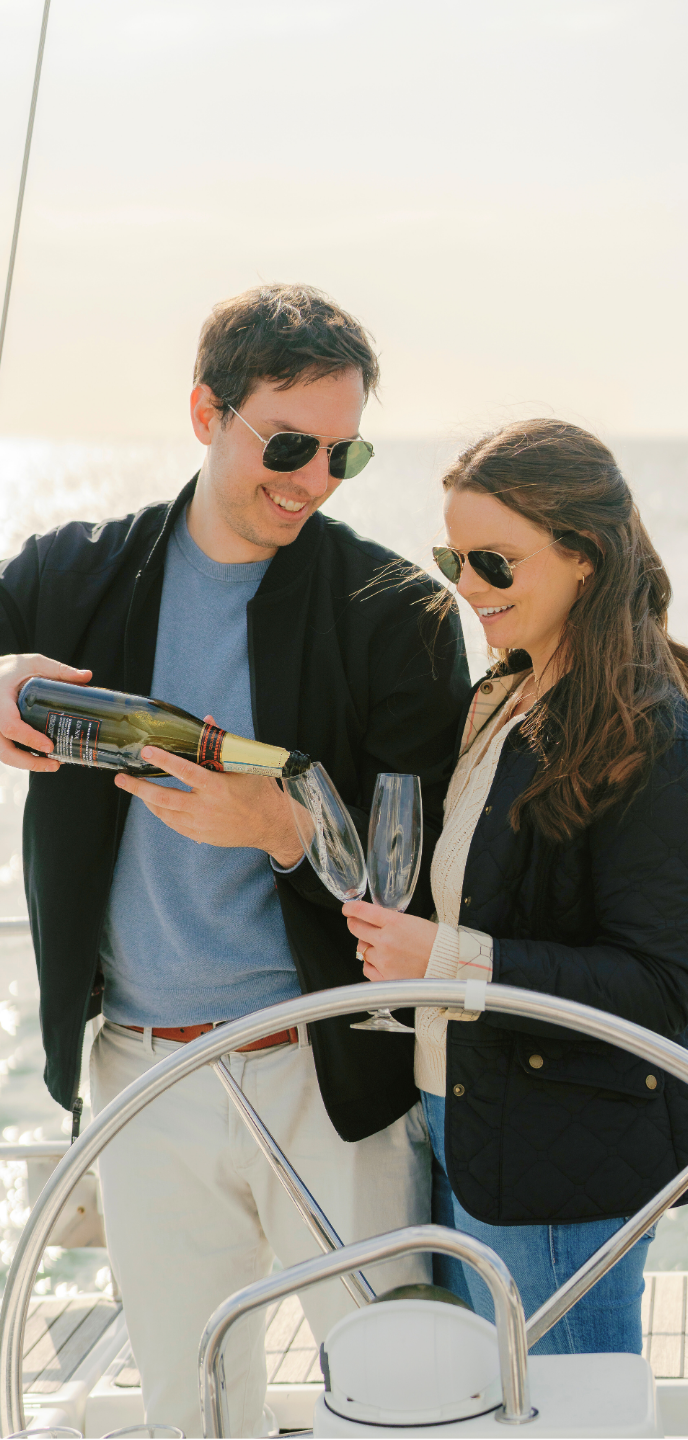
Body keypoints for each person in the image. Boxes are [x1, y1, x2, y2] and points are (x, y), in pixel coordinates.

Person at [0, 283, 471, 1435]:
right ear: (205, 411)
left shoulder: (392, 609)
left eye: (345, 453)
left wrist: (284, 830)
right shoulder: (78, 575)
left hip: (328, 1077)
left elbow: (434, 857)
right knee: (191, 1412)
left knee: (399, 1403)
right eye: (288, 444)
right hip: (138, 1079)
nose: (313, 480)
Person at [344, 420, 688, 1355]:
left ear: (584, 555)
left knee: (569, 1412)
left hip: (560, 1159)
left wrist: (444, 961)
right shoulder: (507, 693)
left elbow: (659, 991)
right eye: (452, 557)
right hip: (473, 1129)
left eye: (494, 561)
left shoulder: (650, 731)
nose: (466, 586)